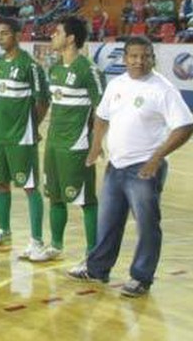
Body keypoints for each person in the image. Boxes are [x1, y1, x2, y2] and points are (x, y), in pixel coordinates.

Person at [69, 36, 193, 297]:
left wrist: (157, 157)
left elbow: (184, 126)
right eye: (134, 56)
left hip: (144, 169)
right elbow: (101, 117)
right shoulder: (116, 84)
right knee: (108, 222)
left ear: (153, 58)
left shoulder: (163, 88)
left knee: (147, 225)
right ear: (124, 58)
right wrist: (96, 146)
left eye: (145, 56)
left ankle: (141, 277)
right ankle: (97, 269)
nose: (139, 61)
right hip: (116, 166)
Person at [34, 15, 106, 263]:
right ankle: (55, 245)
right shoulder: (54, 69)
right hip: (53, 145)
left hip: (77, 146)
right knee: (54, 196)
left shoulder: (89, 71)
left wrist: (96, 144)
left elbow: (102, 111)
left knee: (85, 200)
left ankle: (92, 254)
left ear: (71, 38)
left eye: (57, 32)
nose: (53, 35)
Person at [0, 17, 49, 256]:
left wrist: (33, 125)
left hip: (22, 137)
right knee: (1, 184)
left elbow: (43, 101)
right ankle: (4, 230)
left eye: (5, 33)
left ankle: (36, 240)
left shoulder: (30, 65)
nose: (0, 37)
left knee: (30, 186)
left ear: (18, 35)